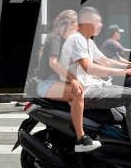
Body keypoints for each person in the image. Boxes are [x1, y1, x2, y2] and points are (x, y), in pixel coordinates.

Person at [61, 7, 131, 162]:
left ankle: (125, 138)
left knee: (128, 92)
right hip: (85, 91)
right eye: (97, 21)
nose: (100, 25)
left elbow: (105, 61)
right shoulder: (76, 39)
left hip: (93, 86)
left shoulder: (87, 42)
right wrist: (122, 72)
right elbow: (89, 67)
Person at [35, 10, 100, 153]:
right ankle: (81, 138)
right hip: (48, 84)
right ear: (71, 24)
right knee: (78, 93)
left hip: (60, 82)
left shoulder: (71, 42)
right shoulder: (56, 39)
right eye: (78, 24)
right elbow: (54, 63)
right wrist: (73, 80)